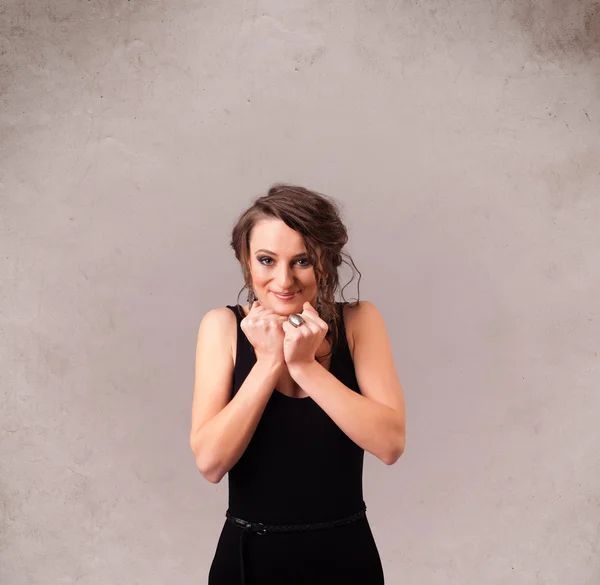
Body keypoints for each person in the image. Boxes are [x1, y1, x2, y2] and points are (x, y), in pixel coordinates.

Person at [190, 184, 406, 585]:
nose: (283, 279)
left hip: (346, 560)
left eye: (302, 260)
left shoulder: (360, 322)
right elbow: (210, 463)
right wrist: (268, 363)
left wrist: (306, 366)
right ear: (246, 261)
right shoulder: (221, 327)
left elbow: (390, 445)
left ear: (326, 260)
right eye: (267, 260)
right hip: (248, 562)